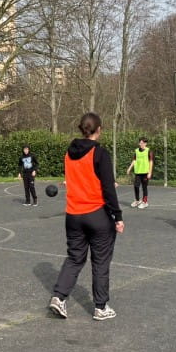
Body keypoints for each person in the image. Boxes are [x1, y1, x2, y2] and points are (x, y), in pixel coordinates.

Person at [49, 112, 125, 321]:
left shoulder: (69, 152)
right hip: (96, 214)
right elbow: (108, 188)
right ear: (98, 130)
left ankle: (59, 297)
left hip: (73, 215)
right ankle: (100, 307)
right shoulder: (99, 153)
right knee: (100, 261)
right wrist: (117, 216)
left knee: (74, 258)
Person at [126, 137, 154, 209]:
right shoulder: (136, 151)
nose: (141, 144)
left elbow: (151, 162)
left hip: (145, 172)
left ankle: (145, 202)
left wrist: (149, 172)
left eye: (143, 143)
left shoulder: (149, 151)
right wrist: (129, 168)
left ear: (145, 143)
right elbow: (134, 160)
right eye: (140, 143)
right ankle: (137, 200)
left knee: (144, 187)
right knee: (136, 186)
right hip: (138, 172)